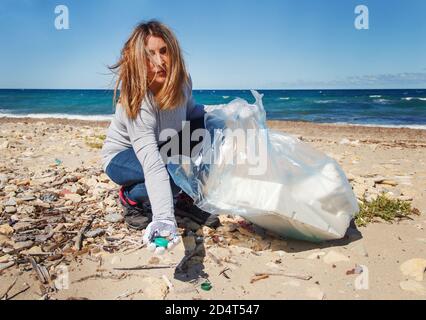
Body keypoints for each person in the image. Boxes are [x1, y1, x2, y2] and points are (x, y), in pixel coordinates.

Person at [101, 20, 220, 252]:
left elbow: (193, 113)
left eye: (163, 51)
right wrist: (165, 219)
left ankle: (186, 197)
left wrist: (225, 116)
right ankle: (131, 198)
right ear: (137, 59)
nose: (159, 60)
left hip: (162, 146)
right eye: (149, 54)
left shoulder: (182, 82)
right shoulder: (137, 99)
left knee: (205, 131)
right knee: (172, 174)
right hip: (122, 157)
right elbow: (153, 165)